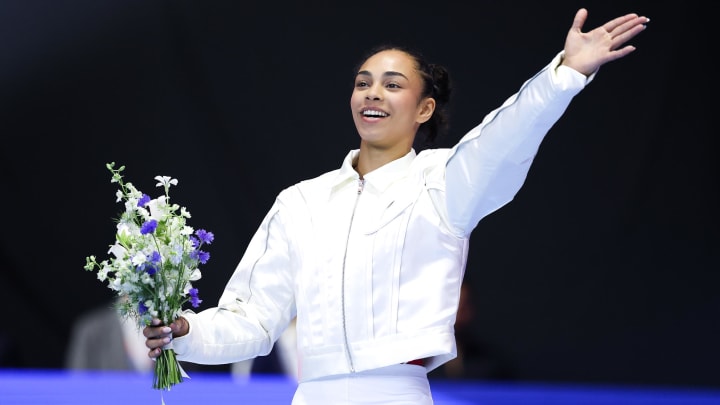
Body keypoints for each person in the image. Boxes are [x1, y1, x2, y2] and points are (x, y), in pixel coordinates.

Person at [143, 8, 649, 404]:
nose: (373, 93)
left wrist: (562, 76)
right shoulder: (301, 201)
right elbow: (253, 321)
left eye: (392, 84)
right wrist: (186, 333)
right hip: (311, 395)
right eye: (363, 82)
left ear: (424, 108)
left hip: (396, 395)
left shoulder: (444, 183)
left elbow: (505, 136)